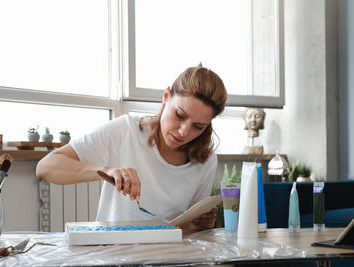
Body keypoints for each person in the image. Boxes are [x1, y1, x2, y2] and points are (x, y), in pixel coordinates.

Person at [36, 66, 227, 231]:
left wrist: (199, 224)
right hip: (113, 254)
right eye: (179, 115)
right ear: (166, 96)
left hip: (168, 256)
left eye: (198, 127)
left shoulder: (207, 160)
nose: (184, 132)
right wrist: (104, 171)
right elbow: (45, 167)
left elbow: (187, 230)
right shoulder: (126, 130)